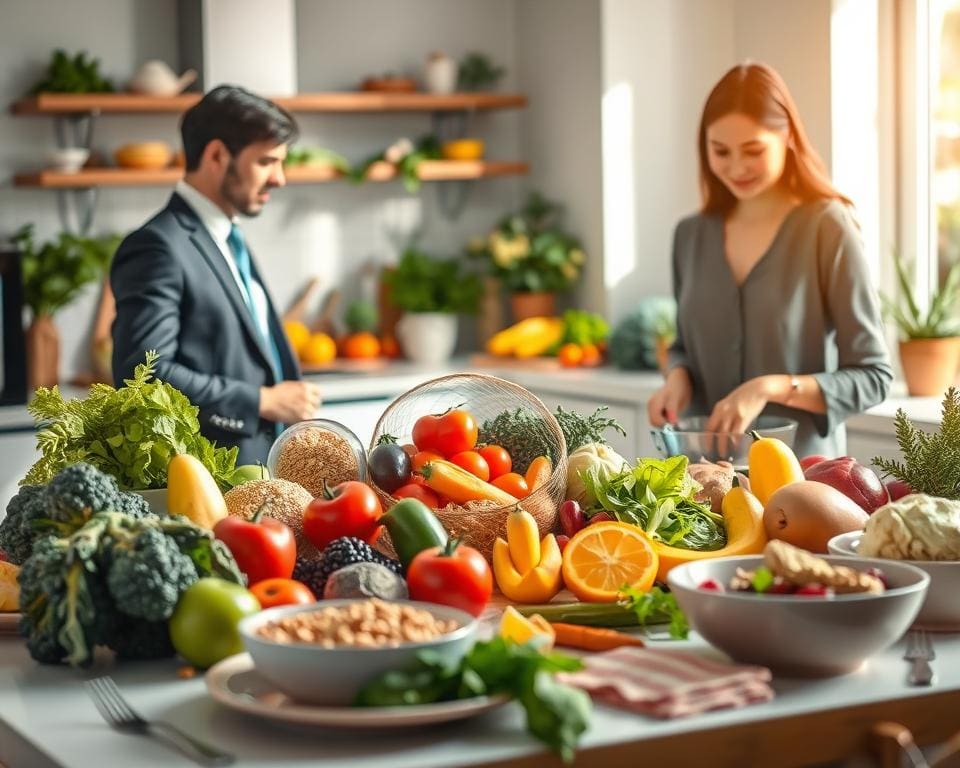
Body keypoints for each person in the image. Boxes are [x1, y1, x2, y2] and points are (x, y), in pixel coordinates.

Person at [646, 63, 892, 458]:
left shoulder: (827, 227)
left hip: (802, 486)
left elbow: (873, 377)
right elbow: (683, 346)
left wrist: (769, 388)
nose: (737, 167)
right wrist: (677, 378)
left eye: (753, 150)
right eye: (720, 151)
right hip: (701, 482)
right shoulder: (690, 235)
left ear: (788, 137)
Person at [111, 85, 321, 465]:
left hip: (257, 475)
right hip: (207, 482)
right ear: (217, 155)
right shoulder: (157, 246)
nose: (280, 178)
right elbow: (141, 376)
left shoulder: (227, 236)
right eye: (267, 162)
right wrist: (262, 400)